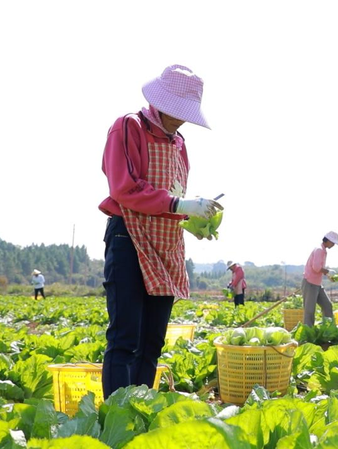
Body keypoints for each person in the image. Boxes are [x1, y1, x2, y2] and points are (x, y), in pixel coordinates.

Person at [98, 64, 223, 399]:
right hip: (129, 237)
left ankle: (141, 409)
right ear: (160, 102)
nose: (181, 120)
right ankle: (118, 412)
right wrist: (180, 205)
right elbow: (123, 188)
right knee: (125, 338)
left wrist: (193, 220)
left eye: (186, 114)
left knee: (152, 341)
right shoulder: (129, 127)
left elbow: (174, 195)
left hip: (166, 244)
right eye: (177, 111)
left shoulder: (179, 143)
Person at [301, 231, 338, 326]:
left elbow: (319, 268)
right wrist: (328, 272)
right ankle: (308, 331)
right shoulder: (319, 250)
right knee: (310, 310)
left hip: (317, 284)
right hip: (310, 283)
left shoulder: (323, 250)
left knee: (327, 306)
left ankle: (328, 329)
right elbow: (316, 268)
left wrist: (329, 276)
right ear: (328, 240)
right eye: (333, 243)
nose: (333, 245)